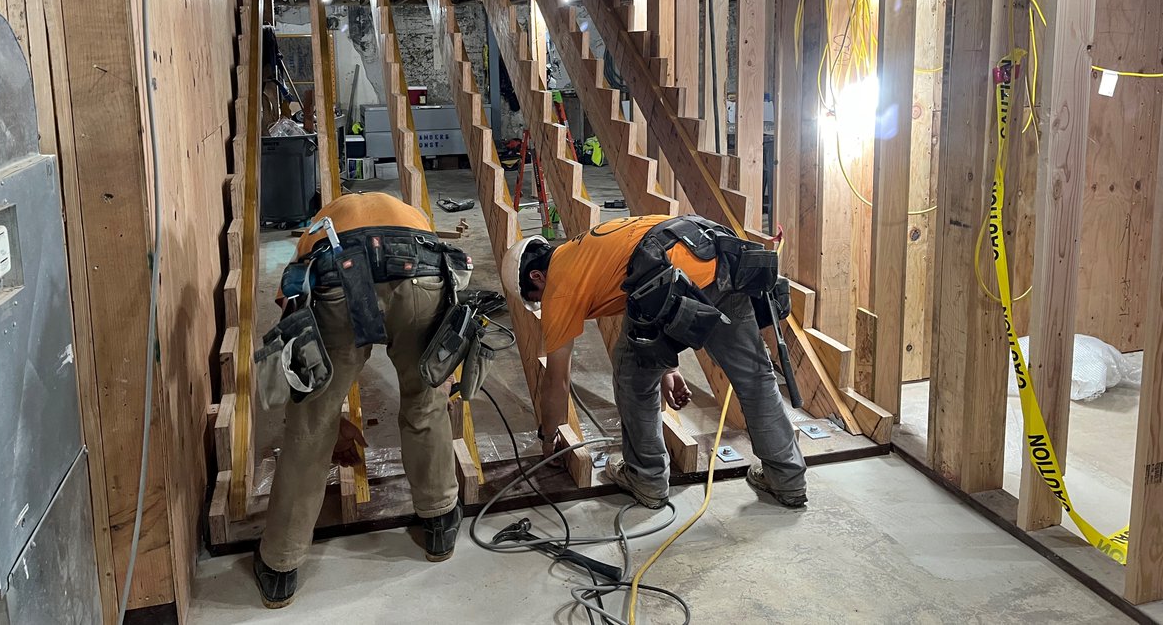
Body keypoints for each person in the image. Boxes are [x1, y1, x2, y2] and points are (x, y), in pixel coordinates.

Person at [501, 215, 807, 511]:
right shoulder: (587, 251)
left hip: (673, 279)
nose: (544, 304)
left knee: (633, 381)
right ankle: (787, 479)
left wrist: (549, 434)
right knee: (756, 377)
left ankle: (646, 478)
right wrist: (668, 369)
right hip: (723, 258)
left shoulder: (560, 287)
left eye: (538, 297)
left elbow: (558, 380)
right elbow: (649, 279)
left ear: (537, 277)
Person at [254, 192, 465, 609]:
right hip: (422, 277)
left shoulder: (319, 225)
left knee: (311, 424)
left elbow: (293, 304)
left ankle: (281, 566)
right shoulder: (412, 215)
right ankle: (439, 523)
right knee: (425, 401)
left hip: (339, 283)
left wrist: (325, 397)